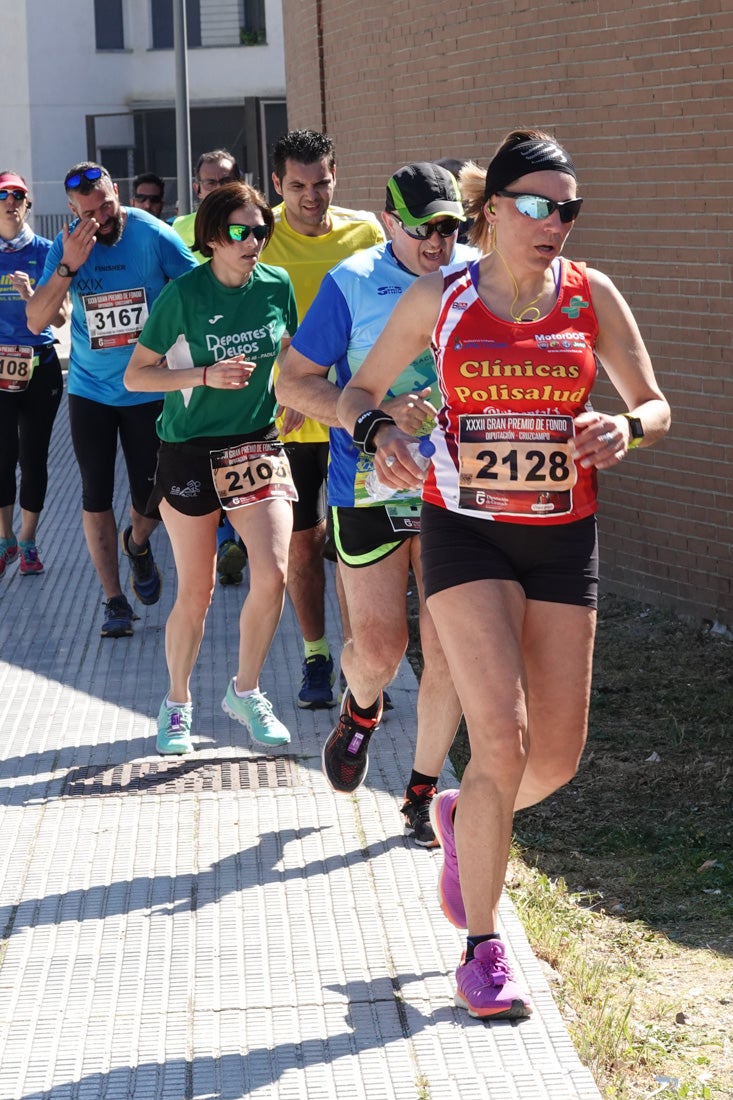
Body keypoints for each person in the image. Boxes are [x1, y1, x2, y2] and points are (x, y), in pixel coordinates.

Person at [336, 130, 671, 1019]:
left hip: (562, 536)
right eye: (535, 205)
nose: (553, 222)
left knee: (552, 758)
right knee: (501, 734)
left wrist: (625, 429)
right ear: (490, 210)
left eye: (566, 209)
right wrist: (383, 436)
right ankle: (481, 950)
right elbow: (354, 393)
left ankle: (463, 819)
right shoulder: (438, 296)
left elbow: (653, 401)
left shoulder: (589, 294)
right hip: (464, 534)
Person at [277, 162, 474, 846]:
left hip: (457, 491)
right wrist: (371, 417)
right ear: (388, 220)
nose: (437, 241)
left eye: (451, 226)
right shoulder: (352, 283)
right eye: (422, 227)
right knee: (383, 651)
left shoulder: (480, 277)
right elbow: (292, 385)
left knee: (447, 651)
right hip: (367, 489)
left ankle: (421, 794)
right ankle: (361, 710)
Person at [124, 180, 298, 756]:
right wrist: (203, 375)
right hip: (190, 449)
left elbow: (292, 352)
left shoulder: (277, 285)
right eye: (239, 232)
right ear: (213, 236)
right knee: (195, 592)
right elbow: (137, 375)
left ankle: (245, 692)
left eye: (261, 231)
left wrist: (296, 395)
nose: (253, 242)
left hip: (256, 444)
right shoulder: (183, 296)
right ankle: (177, 702)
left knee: (273, 574)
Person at [26, 161, 197, 637]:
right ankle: (114, 600)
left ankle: (137, 544)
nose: (101, 218)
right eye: (89, 213)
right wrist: (67, 268)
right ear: (72, 212)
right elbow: (38, 320)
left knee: (154, 493)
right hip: (91, 391)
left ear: (116, 192)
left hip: (148, 388)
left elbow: (197, 289)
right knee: (95, 494)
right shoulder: (67, 247)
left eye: (106, 205)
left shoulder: (152, 233)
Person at [264, 129, 385, 710]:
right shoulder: (261, 241)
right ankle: (315, 654)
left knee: (352, 550)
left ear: (336, 176)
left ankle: (361, 658)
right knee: (303, 547)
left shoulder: (368, 233)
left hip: (358, 423)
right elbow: (247, 315)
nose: (311, 196)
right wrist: (288, 374)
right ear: (276, 184)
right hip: (290, 425)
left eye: (321, 183)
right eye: (297, 186)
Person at [172, 148, 249, 585]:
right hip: (190, 361)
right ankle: (215, 538)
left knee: (237, 447)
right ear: (197, 186)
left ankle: (230, 538)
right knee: (198, 456)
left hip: (238, 348)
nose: (215, 189)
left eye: (225, 180)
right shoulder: (180, 229)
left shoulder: (249, 227)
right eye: (208, 182)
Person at [0, 171, 67, 578]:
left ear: (28, 205)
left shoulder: (45, 252)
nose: (11, 201)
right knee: (2, 455)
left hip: (39, 363)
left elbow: (59, 318)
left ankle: (28, 540)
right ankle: (4, 538)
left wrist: (31, 296)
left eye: (19, 195)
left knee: (34, 456)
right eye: (3, 195)